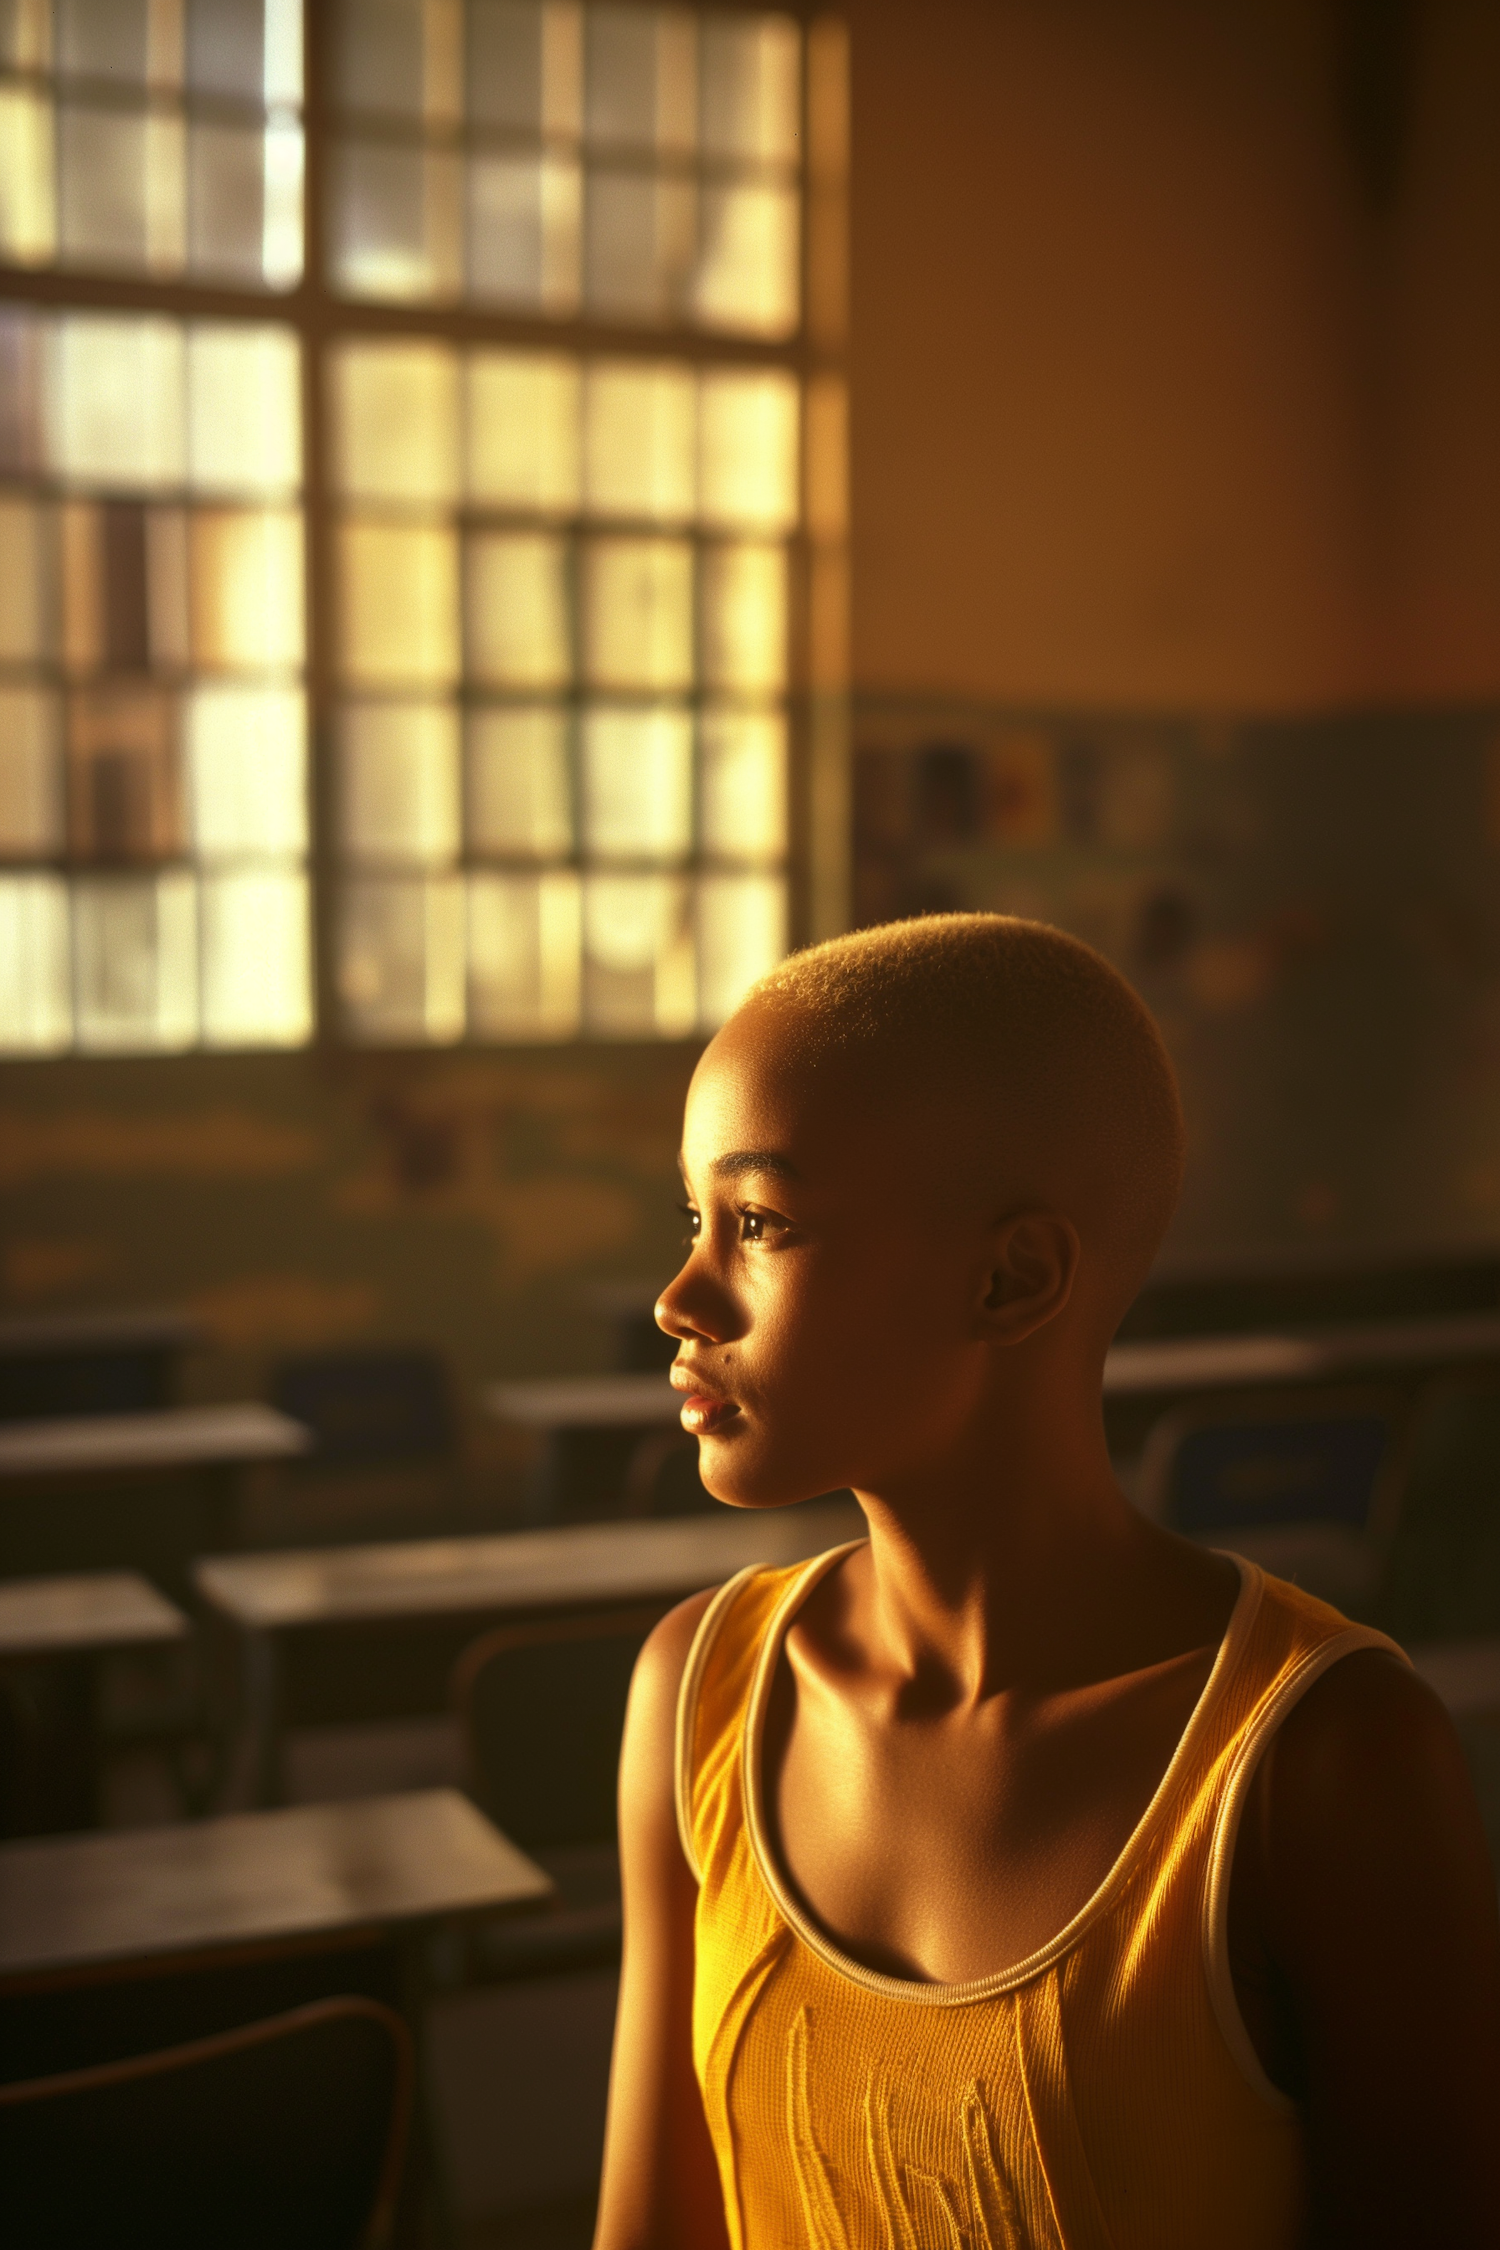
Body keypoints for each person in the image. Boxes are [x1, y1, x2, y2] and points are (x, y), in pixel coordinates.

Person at [593, 914, 1500, 2250]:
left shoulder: (1320, 1759)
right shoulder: (700, 1694)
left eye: (758, 1222)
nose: (679, 1294)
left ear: (1013, 1276)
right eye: (694, 1217)